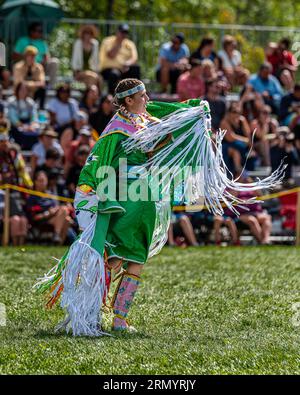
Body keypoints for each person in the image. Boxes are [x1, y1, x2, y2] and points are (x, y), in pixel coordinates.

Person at [35, 78, 283, 336]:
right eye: (142, 96)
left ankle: (120, 319)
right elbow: (99, 163)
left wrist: (196, 111)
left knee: (137, 259)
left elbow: (171, 119)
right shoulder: (116, 129)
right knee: (115, 257)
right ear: (128, 101)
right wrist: (96, 194)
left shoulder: (147, 121)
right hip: (124, 199)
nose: (147, 99)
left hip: (147, 199)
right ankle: (92, 313)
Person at [0, 131, 32, 246]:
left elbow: (22, 171)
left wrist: (28, 183)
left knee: (21, 219)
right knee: (14, 219)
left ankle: (20, 245)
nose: (4, 144)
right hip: (2, 193)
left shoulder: (13, 155)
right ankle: (10, 243)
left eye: (6, 141)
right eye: (2, 141)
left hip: (14, 191)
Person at [26, 171, 73, 245]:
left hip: (55, 218)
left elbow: (57, 208)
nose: (43, 183)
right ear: (35, 182)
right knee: (65, 216)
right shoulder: (32, 197)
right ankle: (57, 237)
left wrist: (54, 211)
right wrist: (48, 213)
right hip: (42, 220)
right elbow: (34, 217)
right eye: (40, 181)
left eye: (44, 180)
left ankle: (58, 243)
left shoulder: (50, 195)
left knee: (66, 217)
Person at [13, 22, 59, 88]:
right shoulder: (22, 41)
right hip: (25, 67)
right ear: (31, 31)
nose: (40, 33)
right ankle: (20, 88)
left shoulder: (42, 43)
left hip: (39, 67)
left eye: (41, 31)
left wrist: (41, 63)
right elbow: (14, 56)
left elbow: (47, 57)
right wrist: (27, 59)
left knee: (54, 61)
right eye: (39, 31)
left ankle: (50, 87)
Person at [99, 24, 140, 94]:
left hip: (124, 69)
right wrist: (119, 43)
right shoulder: (108, 41)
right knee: (114, 74)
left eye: (126, 33)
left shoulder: (130, 44)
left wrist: (127, 64)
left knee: (136, 69)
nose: (124, 35)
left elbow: (134, 58)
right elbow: (111, 55)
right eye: (122, 32)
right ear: (117, 32)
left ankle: (136, 94)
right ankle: (112, 97)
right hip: (109, 70)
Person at [220, 101, 256, 173]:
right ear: (229, 113)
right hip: (227, 145)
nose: (236, 114)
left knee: (251, 153)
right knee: (235, 152)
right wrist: (244, 140)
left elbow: (248, 135)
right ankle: (239, 170)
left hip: (241, 145)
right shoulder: (224, 122)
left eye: (238, 112)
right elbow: (230, 138)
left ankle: (245, 171)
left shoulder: (242, 120)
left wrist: (251, 148)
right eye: (234, 111)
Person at [46, 84, 80, 152]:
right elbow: (52, 120)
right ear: (58, 93)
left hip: (71, 129)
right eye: (62, 92)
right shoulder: (54, 103)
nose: (64, 94)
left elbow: (76, 118)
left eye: (66, 92)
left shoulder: (72, 103)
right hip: (57, 129)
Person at [7, 82, 40, 150]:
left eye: (25, 89)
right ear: (17, 90)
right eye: (21, 89)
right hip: (16, 126)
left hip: (29, 126)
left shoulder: (30, 102)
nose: (23, 91)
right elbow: (13, 118)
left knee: (36, 134)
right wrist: (23, 126)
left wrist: (32, 125)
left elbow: (34, 116)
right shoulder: (11, 101)